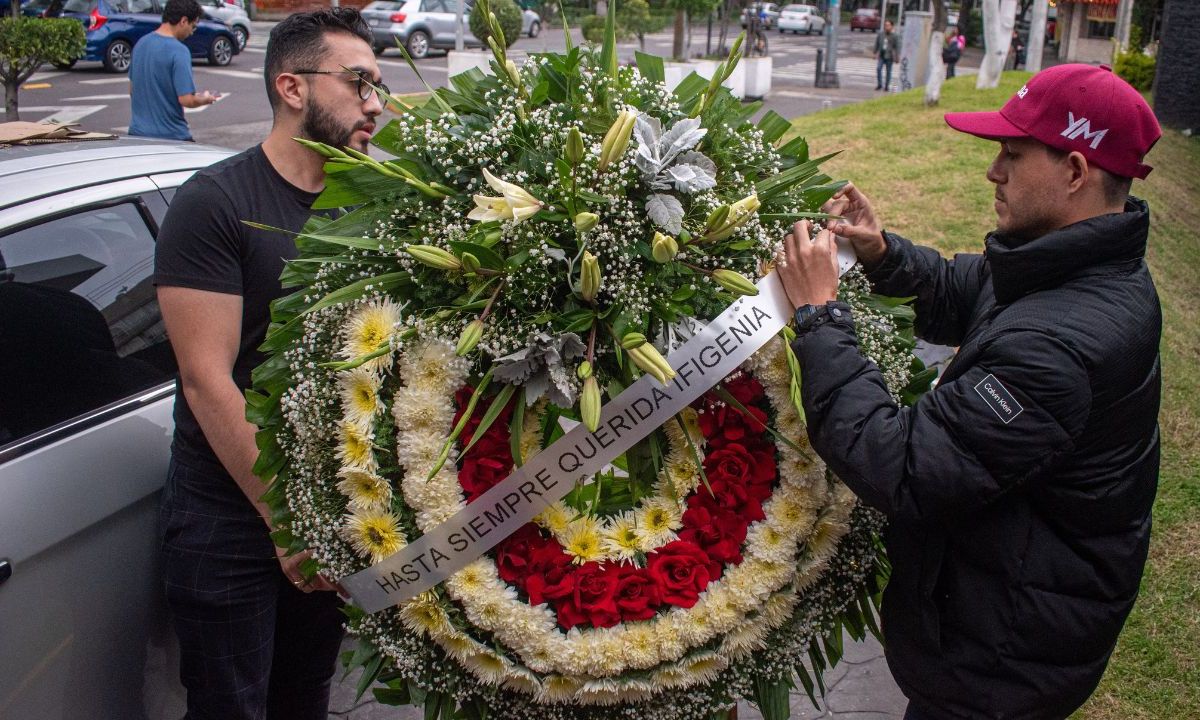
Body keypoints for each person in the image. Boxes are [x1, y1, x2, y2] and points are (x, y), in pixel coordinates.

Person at [776, 64, 1162, 720]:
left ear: (1075, 171)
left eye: (1012, 155)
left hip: (1001, 659)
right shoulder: (1077, 262)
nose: (994, 172)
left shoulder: (1058, 347)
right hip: (1017, 608)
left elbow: (897, 465)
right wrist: (881, 253)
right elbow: (970, 288)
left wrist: (819, 316)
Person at [154, 8, 386, 719]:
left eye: (378, 85)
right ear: (292, 87)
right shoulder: (216, 204)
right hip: (233, 515)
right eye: (358, 83)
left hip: (324, 513)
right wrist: (289, 521)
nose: (375, 103)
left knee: (303, 699)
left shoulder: (369, 208)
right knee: (231, 707)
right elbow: (206, 378)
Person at [128, 0, 216, 141]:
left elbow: (132, 90)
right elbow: (186, 99)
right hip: (171, 136)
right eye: (193, 27)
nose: (191, 33)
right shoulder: (179, 51)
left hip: (137, 134)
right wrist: (204, 99)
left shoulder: (141, 44)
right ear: (183, 21)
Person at [874, 19, 900, 91]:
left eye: (888, 25)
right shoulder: (881, 34)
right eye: (885, 25)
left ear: (892, 26)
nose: (886, 27)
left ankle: (886, 86)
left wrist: (897, 57)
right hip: (882, 55)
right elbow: (877, 43)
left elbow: (897, 47)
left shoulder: (895, 36)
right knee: (878, 68)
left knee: (888, 71)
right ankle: (879, 84)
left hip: (889, 56)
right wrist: (875, 52)